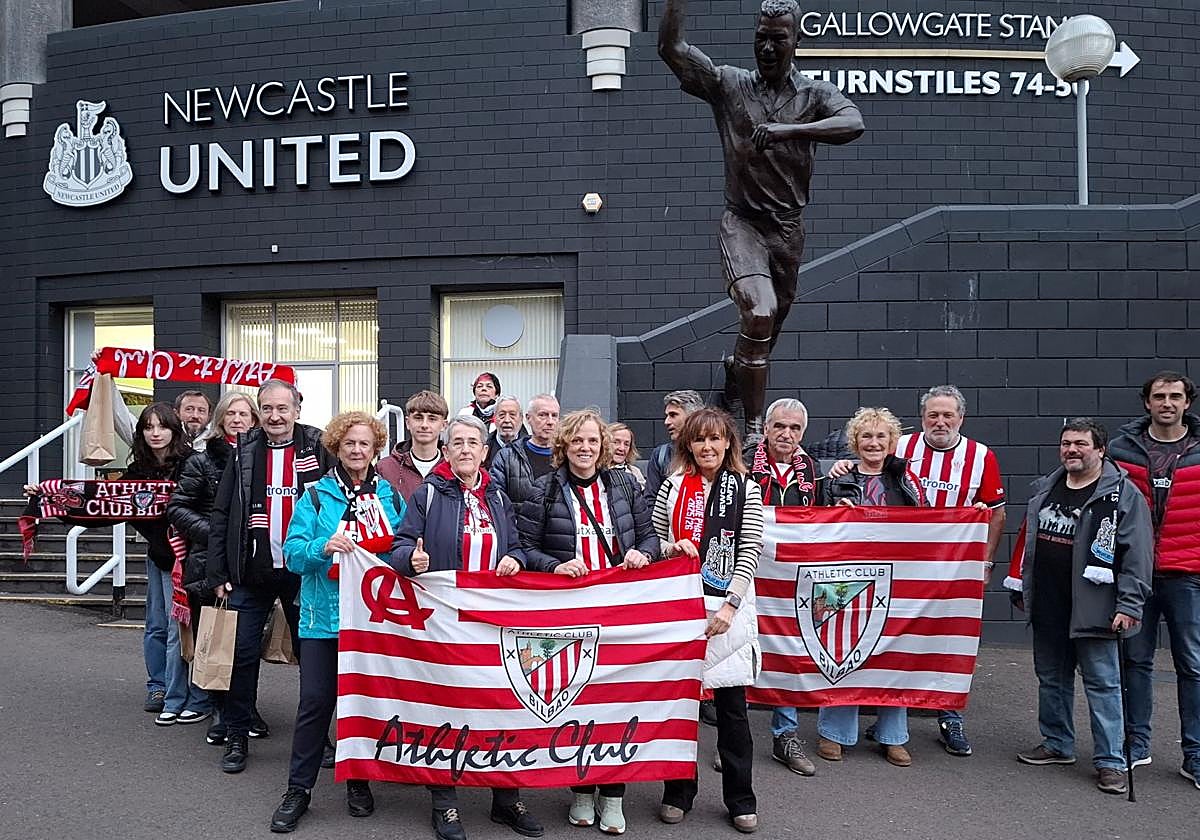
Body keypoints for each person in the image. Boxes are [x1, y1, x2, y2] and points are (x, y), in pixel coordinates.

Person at [658, 0, 863, 440]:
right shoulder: (730, 84)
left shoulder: (815, 95)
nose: (768, 48)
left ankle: (736, 372)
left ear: (796, 41)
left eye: (778, 39)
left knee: (768, 330)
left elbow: (853, 122)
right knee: (760, 312)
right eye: (761, 38)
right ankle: (753, 428)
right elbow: (672, 48)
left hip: (787, 230)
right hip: (743, 223)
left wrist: (790, 131)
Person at [389, 414, 543, 840]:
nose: (465, 449)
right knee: (446, 709)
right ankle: (445, 803)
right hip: (446, 622)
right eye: (456, 442)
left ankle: (506, 800)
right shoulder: (428, 495)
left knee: (504, 705)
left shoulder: (498, 497)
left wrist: (518, 558)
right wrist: (409, 560)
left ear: (484, 450)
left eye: (472, 442)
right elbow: (401, 544)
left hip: (494, 621)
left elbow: (516, 545)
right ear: (446, 449)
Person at [517, 409, 660, 835]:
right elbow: (526, 546)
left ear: (603, 447)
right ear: (564, 445)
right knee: (576, 699)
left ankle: (613, 794)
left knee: (617, 700)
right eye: (577, 440)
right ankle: (580, 788)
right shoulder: (543, 489)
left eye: (592, 441)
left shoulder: (625, 485)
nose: (585, 448)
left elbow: (649, 534)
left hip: (619, 608)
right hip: (569, 611)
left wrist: (644, 554)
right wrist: (554, 567)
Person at [269, 411, 405, 833]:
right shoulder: (314, 496)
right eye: (349, 443)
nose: (357, 450)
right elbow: (291, 554)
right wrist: (322, 546)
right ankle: (298, 790)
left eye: (365, 444)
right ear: (337, 448)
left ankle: (358, 780)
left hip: (370, 620)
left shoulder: (390, 497)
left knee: (361, 704)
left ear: (375, 448)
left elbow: (400, 550)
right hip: (321, 619)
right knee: (315, 703)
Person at [1008, 418, 1152, 795]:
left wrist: (1129, 605)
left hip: (1096, 608)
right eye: (1066, 443)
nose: (1072, 449)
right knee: (1051, 679)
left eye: (1080, 444)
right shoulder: (1046, 488)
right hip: (1050, 605)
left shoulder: (1121, 495)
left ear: (1100, 449)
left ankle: (1110, 762)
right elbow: (1030, 541)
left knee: (1103, 685)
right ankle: (1057, 743)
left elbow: (1137, 556)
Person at [207, 379, 337, 774]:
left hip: (305, 574)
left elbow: (338, 502)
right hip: (252, 572)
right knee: (242, 657)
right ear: (259, 411)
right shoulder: (244, 449)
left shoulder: (317, 445)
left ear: (297, 407)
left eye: (283, 408)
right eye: (267, 408)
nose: (275, 416)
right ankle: (237, 735)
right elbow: (223, 512)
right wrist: (219, 570)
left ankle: (320, 739)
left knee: (313, 659)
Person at [652, 407, 763, 835]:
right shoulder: (672, 486)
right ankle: (678, 791)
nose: (708, 447)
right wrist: (669, 546)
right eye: (700, 439)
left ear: (728, 443)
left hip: (726, 609)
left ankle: (741, 799)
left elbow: (750, 549)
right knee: (679, 708)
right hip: (680, 608)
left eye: (716, 439)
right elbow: (657, 540)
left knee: (733, 714)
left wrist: (729, 606)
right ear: (689, 445)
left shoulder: (747, 489)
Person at [895, 385, 1006, 757]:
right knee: (899, 633)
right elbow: (869, 472)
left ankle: (949, 714)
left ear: (961, 418)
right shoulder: (901, 448)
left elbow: (996, 512)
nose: (940, 422)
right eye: (932, 415)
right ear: (922, 417)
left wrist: (986, 562)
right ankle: (892, 713)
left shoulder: (980, 456)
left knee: (950, 640)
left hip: (953, 567)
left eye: (947, 415)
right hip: (905, 563)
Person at [1106, 371, 1200, 787]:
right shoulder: (1122, 449)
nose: (1167, 403)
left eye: (1175, 396)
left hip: (1188, 574)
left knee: (1192, 666)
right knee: (1135, 662)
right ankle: (1135, 745)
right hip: (1134, 574)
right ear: (1146, 403)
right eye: (1159, 396)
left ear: (1187, 403)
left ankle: (1194, 754)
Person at [817, 407, 923, 766]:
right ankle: (835, 732)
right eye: (866, 436)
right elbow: (818, 527)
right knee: (842, 648)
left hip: (895, 578)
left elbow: (928, 525)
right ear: (855, 442)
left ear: (892, 441)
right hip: (844, 579)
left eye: (881, 436)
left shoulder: (907, 480)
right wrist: (836, 508)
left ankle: (892, 734)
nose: (874, 443)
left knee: (894, 653)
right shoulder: (837, 479)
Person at [168, 391, 260, 743]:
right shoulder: (201, 461)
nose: (238, 420)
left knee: (246, 645)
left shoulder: (263, 459)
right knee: (218, 639)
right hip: (210, 563)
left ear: (254, 420)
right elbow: (178, 507)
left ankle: (246, 709)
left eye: (244, 414)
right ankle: (220, 713)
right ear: (220, 420)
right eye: (231, 414)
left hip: (251, 565)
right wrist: (218, 535)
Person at [747, 398, 823, 777]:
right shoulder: (742, 464)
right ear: (766, 429)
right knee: (740, 653)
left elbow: (822, 522)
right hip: (746, 576)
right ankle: (738, 737)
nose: (786, 435)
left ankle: (785, 735)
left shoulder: (813, 470)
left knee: (789, 652)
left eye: (794, 429)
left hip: (792, 580)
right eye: (780, 426)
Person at [123, 403, 197, 723]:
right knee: (155, 625)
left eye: (162, 426)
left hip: (187, 558)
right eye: (148, 427)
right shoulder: (137, 468)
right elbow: (107, 502)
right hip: (158, 555)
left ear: (173, 429)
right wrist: (43, 495)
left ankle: (175, 694)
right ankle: (157, 685)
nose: (155, 433)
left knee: (174, 627)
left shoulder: (191, 463)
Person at [377, 390, 448, 503]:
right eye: (418, 418)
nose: (424, 425)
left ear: (444, 425)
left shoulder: (453, 467)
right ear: (407, 422)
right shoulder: (385, 468)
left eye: (432, 419)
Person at [490, 393, 560, 507]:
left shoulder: (567, 456)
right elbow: (496, 501)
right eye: (543, 415)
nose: (550, 421)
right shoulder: (506, 457)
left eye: (554, 415)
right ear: (528, 418)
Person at [644, 390, 705, 506]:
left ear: (692, 416)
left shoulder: (714, 453)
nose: (666, 422)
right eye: (667, 416)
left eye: (673, 415)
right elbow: (650, 501)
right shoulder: (660, 455)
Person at [485, 394, 525, 468]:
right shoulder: (483, 447)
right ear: (494, 418)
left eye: (512, 415)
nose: (507, 420)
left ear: (521, 419)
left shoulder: (530, 447)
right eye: (502, 415)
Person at [608, 422, 646, 491]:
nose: (622, 448)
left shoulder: (635, 472)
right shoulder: (594, 471)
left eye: (626, 444)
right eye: (616, 442)